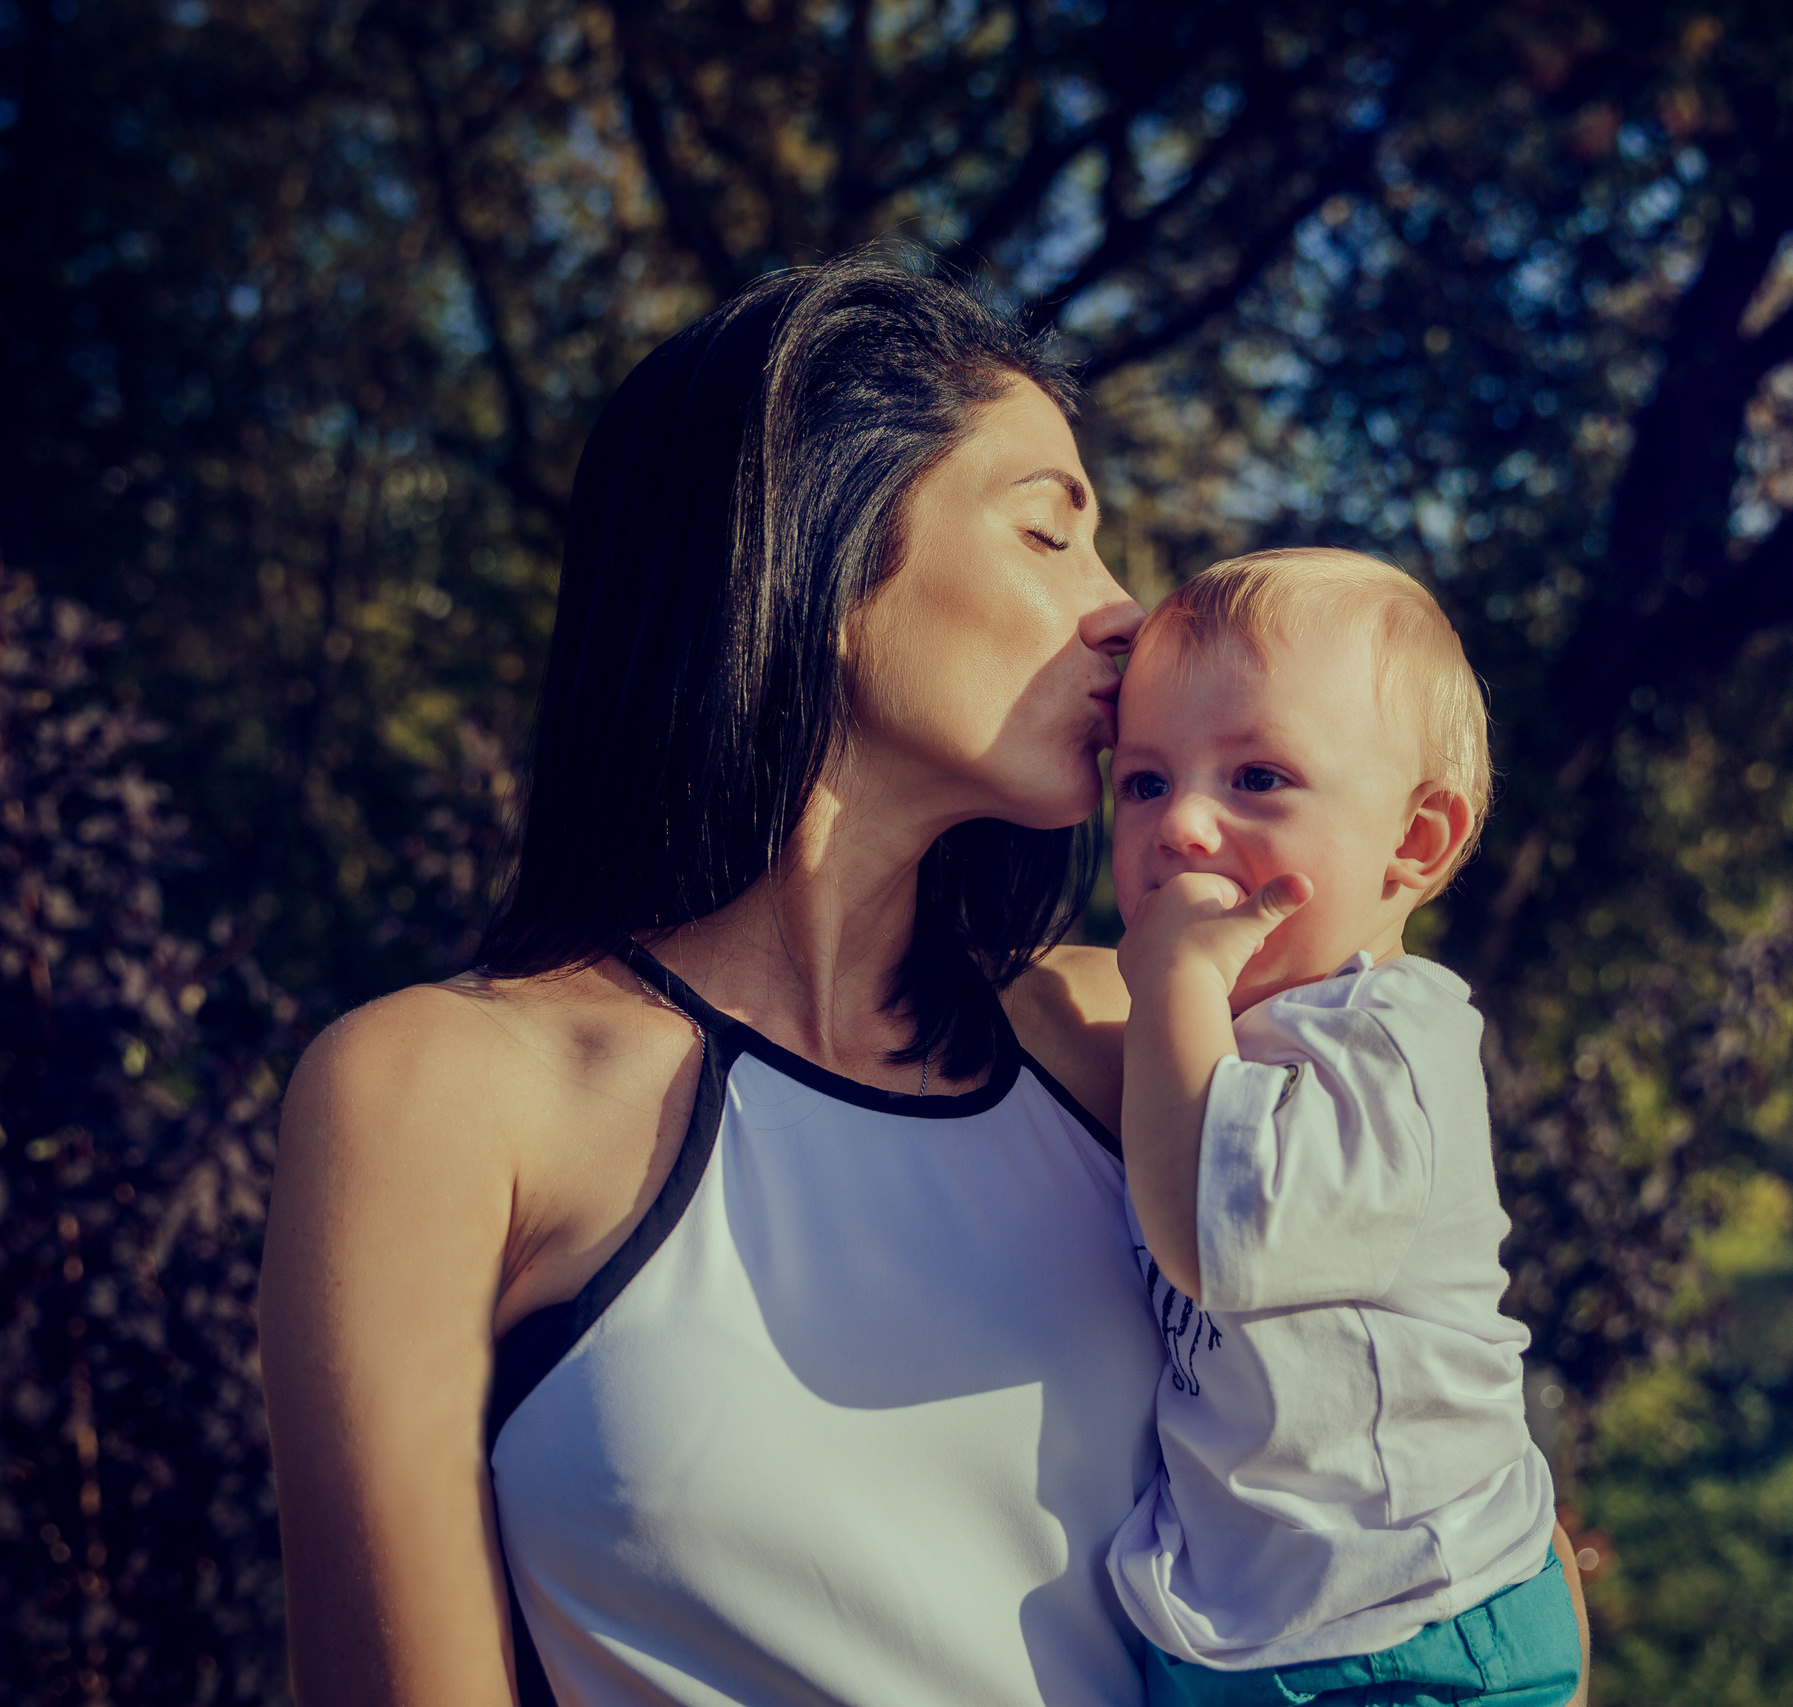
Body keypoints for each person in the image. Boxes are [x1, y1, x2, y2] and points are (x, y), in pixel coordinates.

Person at [258, 252, 1157, 1705]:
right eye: (1050, 533)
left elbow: (1418, 1488)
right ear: (822, 551)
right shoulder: (436, 1095)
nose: (1123, 611)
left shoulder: (1129, 1041)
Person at [1103, 549, 1587, 1706]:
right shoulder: (1229, 1034)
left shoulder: (1389, 1043)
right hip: (1261, 1629)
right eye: (1144, 782)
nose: (1181, 825)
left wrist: (1170, 982)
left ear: (1412, 844)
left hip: (1408, 1628)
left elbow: (1205, 1235)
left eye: (1258, 777)